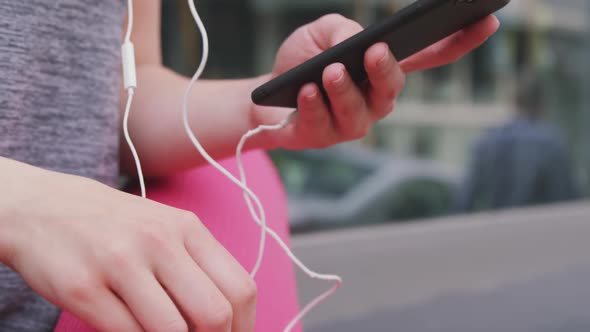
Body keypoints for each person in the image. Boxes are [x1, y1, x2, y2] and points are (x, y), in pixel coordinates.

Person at [0, 1, 499, 331]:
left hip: (67, 315)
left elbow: (120, 98)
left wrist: (261, 108)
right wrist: (22, 204)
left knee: (238, 184)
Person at [457, 72, 578, 212]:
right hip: (539, 230)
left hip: (495, 229)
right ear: (542, 103)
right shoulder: (553, 145)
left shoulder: (485, 142)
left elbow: (464, 202)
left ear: (514, 101)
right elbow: (567, 199)